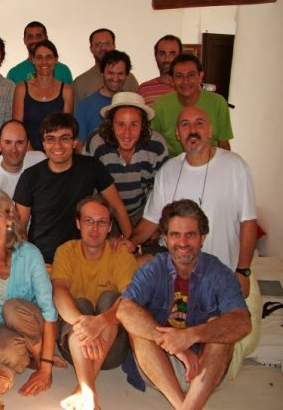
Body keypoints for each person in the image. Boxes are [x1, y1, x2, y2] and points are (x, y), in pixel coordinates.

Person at [130, 106, 260, 376]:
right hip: (178, 274)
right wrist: (128, 243)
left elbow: (248, 221)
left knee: (228, 340)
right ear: (177, 134)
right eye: (185, 125)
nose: (192, 130)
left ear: (210, 130)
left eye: (199, 123)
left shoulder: (234, 166)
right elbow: (151, 221)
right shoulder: (169, 170)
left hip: (222, 274)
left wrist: (243, 270)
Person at [118, 199, 251, 409]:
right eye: (175, 234)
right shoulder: (154, 268)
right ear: (165, 238)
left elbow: (242, 321)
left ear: (202, 238)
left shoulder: (218, 272)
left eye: (190, 234)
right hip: (159, 368)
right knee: (139, 329)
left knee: (220, 329)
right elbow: (124, 309)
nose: (182, 242)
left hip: (206, 368)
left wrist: (192, 335)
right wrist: (174, 345)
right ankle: (184, 406)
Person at [0, 188, 62, 396]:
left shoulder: (30, 254)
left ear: (9, 219)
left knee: (12, 308)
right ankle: (35, 352)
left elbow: (49, 312)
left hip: (30, 320)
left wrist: (46, 368)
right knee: (13, 356)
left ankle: (41, 357)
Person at [52, 195, 138, 410]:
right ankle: (90, 396)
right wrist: (85, 324)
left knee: (111, 298)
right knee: (79, 304)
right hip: (74, 349)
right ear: (78, 223)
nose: (94, 228)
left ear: (109, 227)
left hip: (112, 351)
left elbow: (130, 300)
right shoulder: (66, 251)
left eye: (101, 222)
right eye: (89, 221)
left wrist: (100, 322)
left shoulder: (120, 254)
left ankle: (84, 388)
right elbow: (59, 291)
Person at [13, 112, 132, 264]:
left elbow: (117, 207)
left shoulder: (92, 167)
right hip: (44, 259)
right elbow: (20, 228)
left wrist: (130, 241)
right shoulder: (30, 177)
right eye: (50, 139)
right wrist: (33, 263)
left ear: (75, 142)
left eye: (64, 138)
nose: (57, 145)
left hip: (85, 257)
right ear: (43, 144)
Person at [84, 92, 168, 225]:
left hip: (143, 213)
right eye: (120, 124)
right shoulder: (95, 142)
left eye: (133, 125)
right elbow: (87, 190)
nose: (127, 133)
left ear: (143, 125)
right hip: (103, 214)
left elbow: (160, 193)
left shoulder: (157, 145)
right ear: (111, 125)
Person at [151, 53, 233, 156]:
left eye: (191, 75)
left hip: (210, 162)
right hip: (173, 164)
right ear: (172, 80)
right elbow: (152, 144)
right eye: (179, 76)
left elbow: (224, 144)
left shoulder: (218, 103)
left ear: (200, 76)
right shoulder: (160, 107)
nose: (185, 81)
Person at [12, 39, 74, 151]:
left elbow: (67, 129)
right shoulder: (21, 88)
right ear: (33, 60)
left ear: (56, 60)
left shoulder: (66, 90)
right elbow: (17, 127)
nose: (44, 62)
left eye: (49, 57)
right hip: (27, 151)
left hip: (56, 151)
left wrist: (54, 151)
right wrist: (30, 151)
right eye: (39, 57)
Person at [74, 50, 132, 149]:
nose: (115, 78)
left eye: (120, 73)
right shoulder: (84, 106)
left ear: (126, 75)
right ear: (102, 73)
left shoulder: (133, 105)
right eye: (110, 73)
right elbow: (80, 147)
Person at [0, 120, 45, 198]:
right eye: (8, 142)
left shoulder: (40, 161)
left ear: (27, 145)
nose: (14, 150)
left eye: (19, 143)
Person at [73, 28, 138, 104]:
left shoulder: (130, 79)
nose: (103, 48)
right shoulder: (80, 83)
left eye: (107, 44)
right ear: (91, 49)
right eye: (98, 44)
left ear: (114, 46)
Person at [7, 21, 73, 84]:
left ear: (46, 38)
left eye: (38, 36)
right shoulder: (14, 73)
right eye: (30, 37)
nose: (34, 40)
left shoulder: (63, 71)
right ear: (24, 40)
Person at [137, 34, 182, 106]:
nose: (167, 59)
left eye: (172, 54)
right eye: (162, 54)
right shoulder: (143, 90)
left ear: (180, 57)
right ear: (155, 56)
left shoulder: (188, 88)